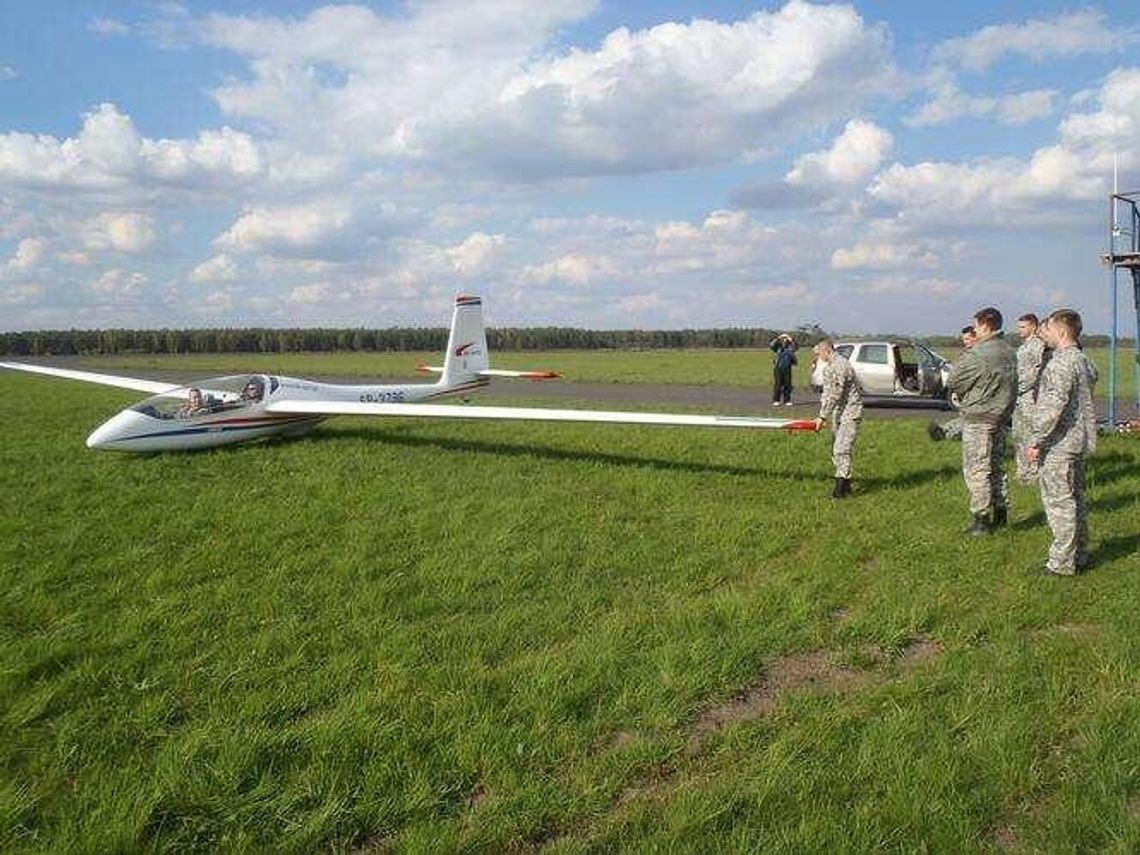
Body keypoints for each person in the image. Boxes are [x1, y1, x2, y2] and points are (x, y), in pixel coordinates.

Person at [1025, 310, 1098, 576]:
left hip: (1060, 444)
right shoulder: (1083, 360)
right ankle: (1079, 554)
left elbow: (1051, 409)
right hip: (1078, 441)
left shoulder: (1060, 364)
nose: (1044, 334)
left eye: (1048, 329)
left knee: (1060, 504)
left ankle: (1061, 563)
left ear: (1062, 331)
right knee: (1075, 500)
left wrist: (1036, 441)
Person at [946, 307, 1017, 535]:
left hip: (979, 417)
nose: (974, 330)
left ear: (985, 325)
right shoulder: (1009, 350)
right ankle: (1001, 512)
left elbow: (954, 381)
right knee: (997, 466)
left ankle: (981, 520)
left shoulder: (979, 353)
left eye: (976, 326)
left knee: (977, 469)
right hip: (1001, 416)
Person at [812, 339, 863, 498]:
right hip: (838, 412)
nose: (818, 357)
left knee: (841, 449)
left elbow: (836, 393)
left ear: (826, 351)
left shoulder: (840, 365)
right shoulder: (830, 367)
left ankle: (839, 491)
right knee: (836, 449)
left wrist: (822, 416)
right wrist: (823, 414)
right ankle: (846, 484)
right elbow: (827, 394)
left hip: (850, 412)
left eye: (819, 354)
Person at [1012, 313, 1047, 483]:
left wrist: (1018, 387)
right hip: (1019, 399)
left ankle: (1033, 472)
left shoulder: (1037, 346)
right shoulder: (1023, 346)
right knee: (1019, 435)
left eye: (1023, 327)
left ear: (1033, 326)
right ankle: (1022, 470)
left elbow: (1037, 372)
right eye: (1019, 327)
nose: (1019, 330)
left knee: (1031, 436)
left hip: (1030, 398)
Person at [928, 325, 976, 442]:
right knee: (965, 417)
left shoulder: (978, 355)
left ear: (975, 337)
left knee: (971, 420)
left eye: (968, 339)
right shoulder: (967, 353)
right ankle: (945, 430)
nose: (965, 342)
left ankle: (946, 433)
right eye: (964, 339)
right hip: (966, 392)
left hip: (975, 392)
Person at [769, 333, 798, 406]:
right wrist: (778, 338)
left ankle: (787, 400)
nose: (784, 340)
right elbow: (771, 345)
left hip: (787, 367)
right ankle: (776, 400)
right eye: (783, 339)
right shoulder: (777, 347)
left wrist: (791, 339)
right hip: (778, 367)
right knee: (778, 384)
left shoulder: (790, 347)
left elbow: (796, 347)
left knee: (787, 384)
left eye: (785, 339)